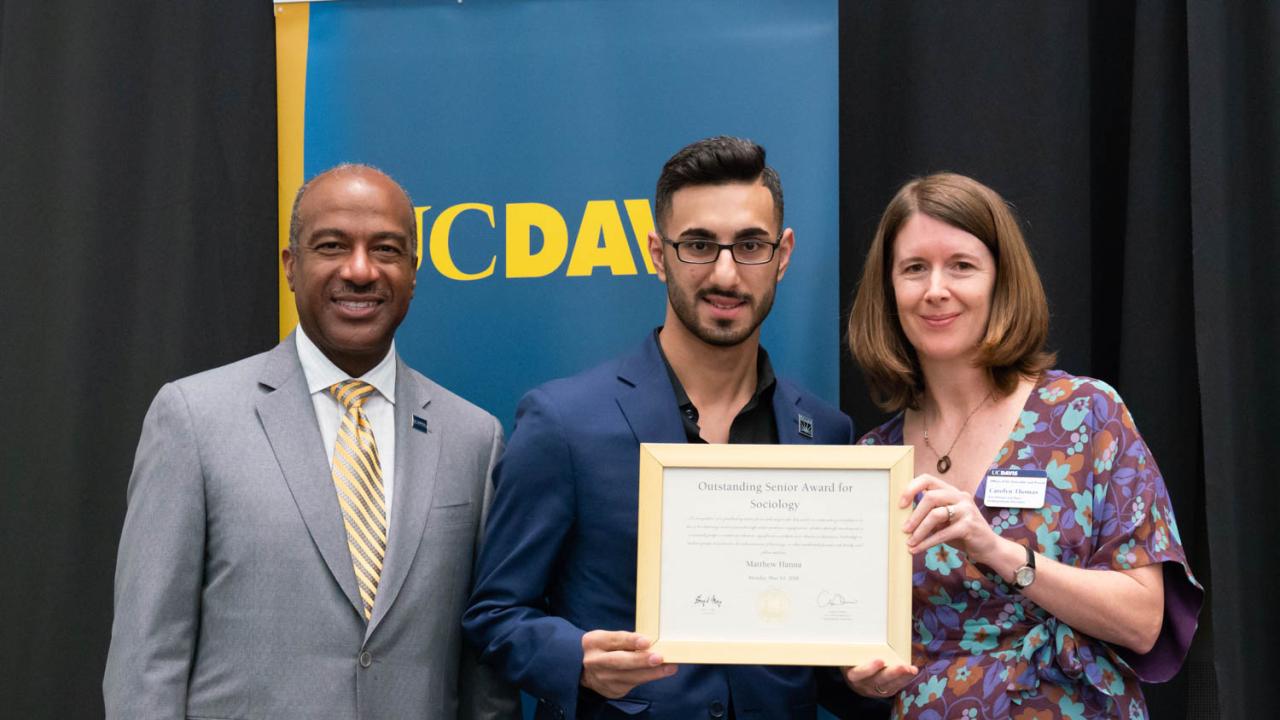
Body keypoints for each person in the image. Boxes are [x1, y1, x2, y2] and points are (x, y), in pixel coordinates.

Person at [463, 137, 882, 719]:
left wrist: (862, 680)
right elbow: (494, 616)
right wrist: (576, 659)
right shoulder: (564, 423)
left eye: (751, 245)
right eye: (699, 246)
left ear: (783, 255)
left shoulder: (826, 433)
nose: (726, 274)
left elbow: (820, 654)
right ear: (659, 254)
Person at [103, 164, 519, 720]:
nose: (360, 270)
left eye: (387, 250)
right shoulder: (193, 420)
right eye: (332, 246)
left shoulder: (474, 438)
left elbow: (484, 678)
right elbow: (146, 662)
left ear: (414, 273)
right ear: (291, 267)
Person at [842, 172, 1202, 718]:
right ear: (889, 292)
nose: (936, 288)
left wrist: (1001, 553)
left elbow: (1145, 621)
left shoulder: (1086, 415)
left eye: (961, 265)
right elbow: (862, 639)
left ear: (1000, 281)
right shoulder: (872, 462)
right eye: (914, 268)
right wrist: (863, 679)